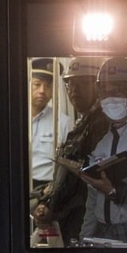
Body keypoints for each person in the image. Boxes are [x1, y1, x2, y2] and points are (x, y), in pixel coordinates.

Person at [76, 56, 127, 246]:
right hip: (103, 232)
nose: (110, 98)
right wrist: (84, 239)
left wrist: (114, 191)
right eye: (104, 92)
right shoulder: (102, 141)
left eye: (118, 90)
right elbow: (93, 199)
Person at [32, 56, 110, 242]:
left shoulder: (100, 123)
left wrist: (51, 205)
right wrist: (45, 199)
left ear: (98, 86)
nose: (74, 90)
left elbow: (78, 179)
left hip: (84, 215)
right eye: (70, 84)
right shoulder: (84, 123)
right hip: (65, 206)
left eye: (82, 83)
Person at [29, 58, 59, 189]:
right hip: (16, 183)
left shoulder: (61, 122)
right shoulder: (13, 120)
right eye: (37, 84)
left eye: (47, 86)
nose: (42, 90)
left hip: (48, 188)